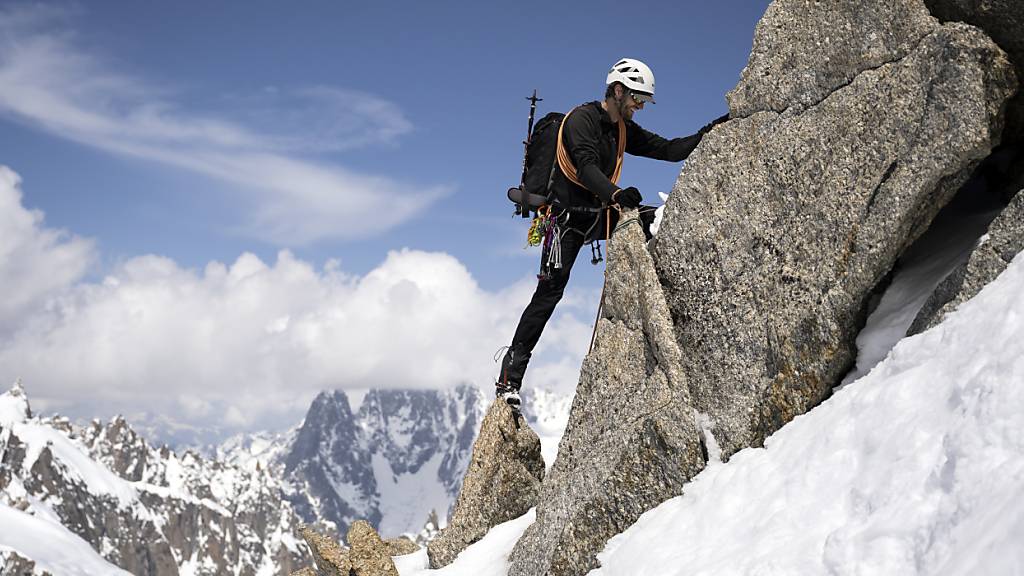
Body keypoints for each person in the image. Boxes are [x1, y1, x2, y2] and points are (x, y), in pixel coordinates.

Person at [495, 57, 728, 410]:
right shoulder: (581, 121)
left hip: (599, 213)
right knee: (549, 294)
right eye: (637, 98)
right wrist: (616, 195)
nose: (640, 106)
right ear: (617, 91)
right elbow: (587, 168)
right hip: (567, 221)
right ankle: (509, 379)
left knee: (652, 221)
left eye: (643, 101)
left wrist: (712, 130)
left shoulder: (623, 129)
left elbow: (667, 150)